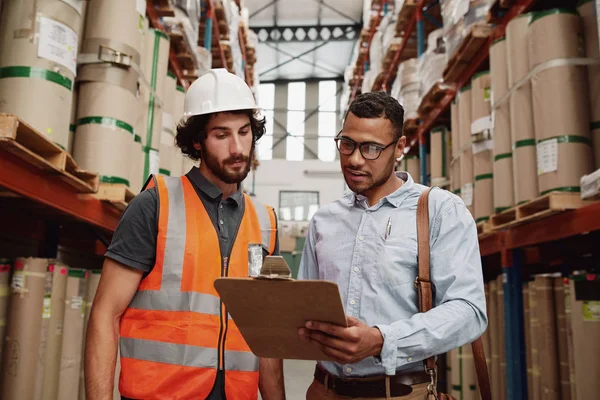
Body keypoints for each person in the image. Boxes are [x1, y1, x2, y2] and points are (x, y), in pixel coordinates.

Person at [85, 69, 285, 400]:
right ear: (196, 141)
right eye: (221, 135)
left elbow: (265, 330)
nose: (237, 147)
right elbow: (106, 314)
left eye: (244, 132)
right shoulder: (155, 204)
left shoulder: (265, 222)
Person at [297, 92, 487, 399]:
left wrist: (381, 340)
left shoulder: (439, 211)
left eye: (371, 148)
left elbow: (469, 311)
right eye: (347, 144)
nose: (355, 159)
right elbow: (305, 308)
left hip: (397, 392)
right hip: (324, 390)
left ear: (399, 148)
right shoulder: (324, 221)